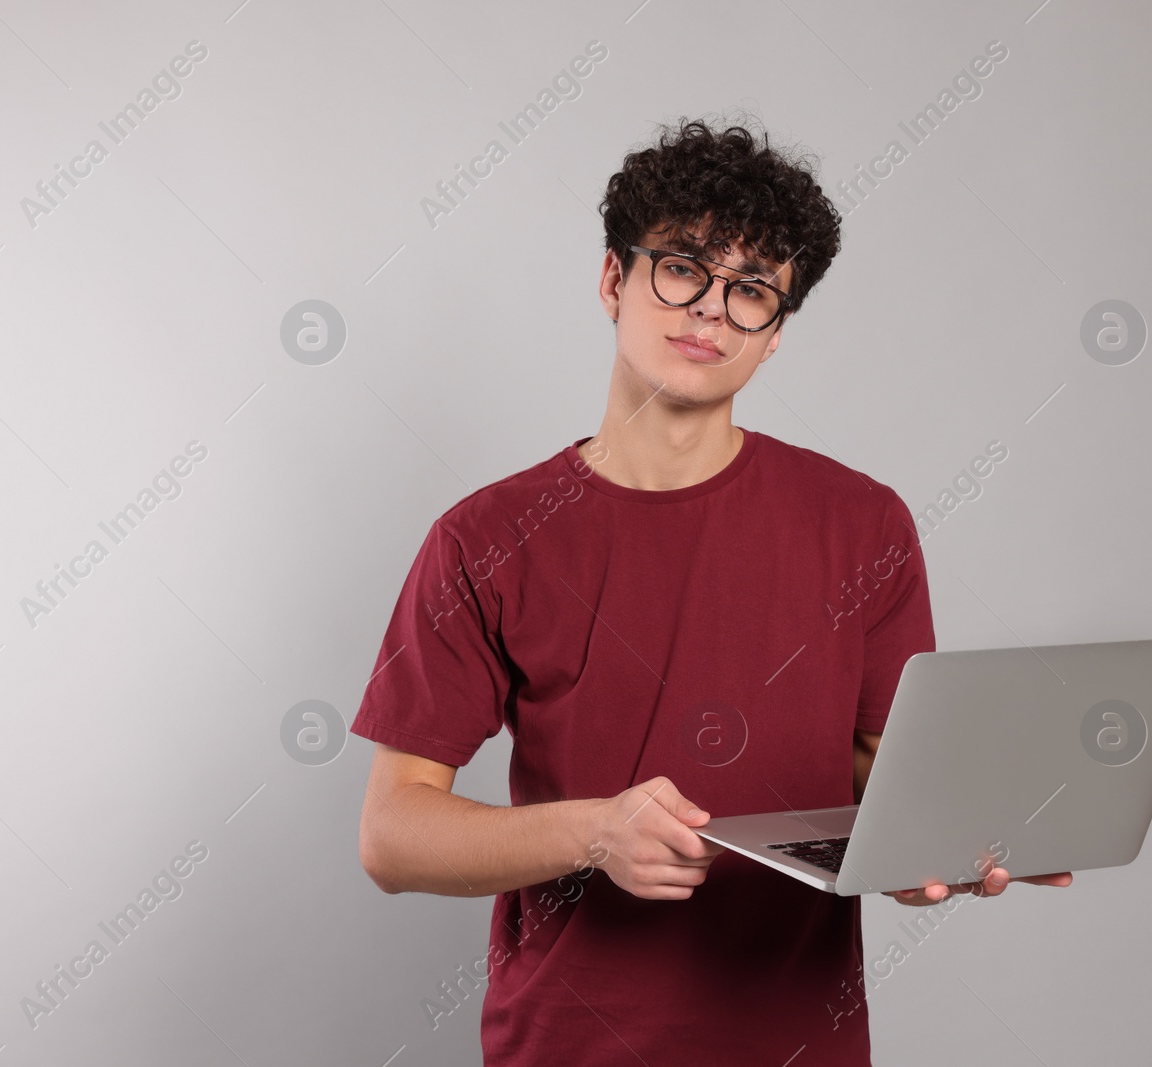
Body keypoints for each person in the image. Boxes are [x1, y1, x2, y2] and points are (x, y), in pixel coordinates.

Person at [353, 114, 1070, 1065]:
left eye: (751, 293)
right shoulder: (484, 540)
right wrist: (593, 833)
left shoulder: (865, 524)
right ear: (615, 279)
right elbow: (392, 833)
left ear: (774, 337)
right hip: (568, 1043)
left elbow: (877, 771)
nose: (709, 312)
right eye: (683, 267)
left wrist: (945, 837)